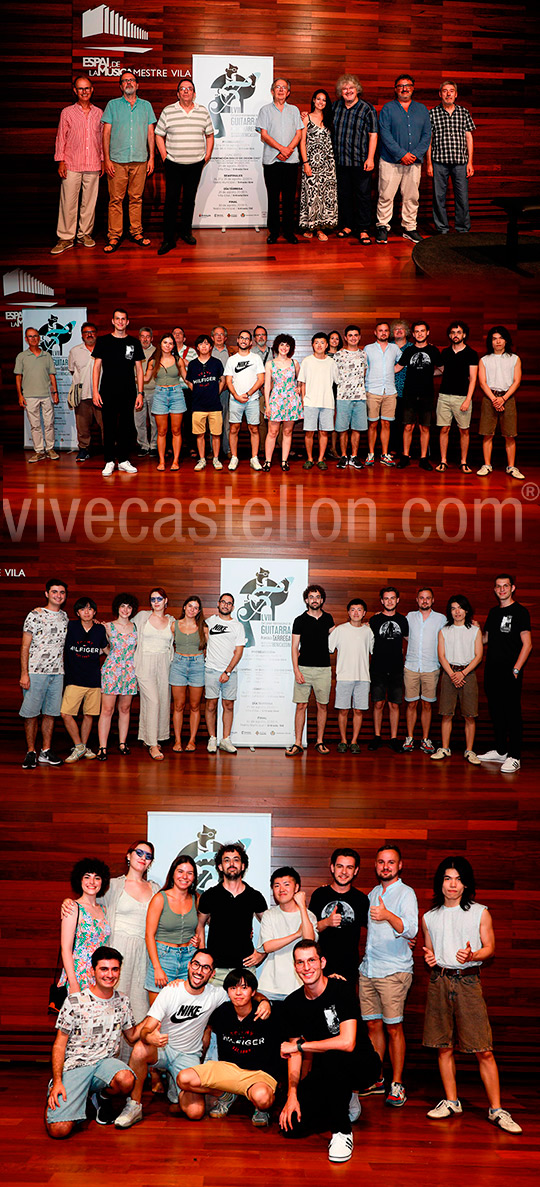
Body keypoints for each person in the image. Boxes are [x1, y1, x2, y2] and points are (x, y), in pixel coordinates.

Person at [422, 857, 522, 1133]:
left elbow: (490, 948)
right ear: (440, 883)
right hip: (439, 981)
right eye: (447, 878)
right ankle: (452, 1101)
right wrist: (430, 958)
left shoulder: (480, 912)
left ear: (466, 884)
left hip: (468, 982)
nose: (452, 884)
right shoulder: (429, 917)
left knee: (483, 1049)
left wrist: (472, 955)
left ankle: (497, 1110)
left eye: (458, 879)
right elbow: (430, 951)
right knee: (443, 1046)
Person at [115, 948, 270, 1127]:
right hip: (163, 1050)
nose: (199, 971)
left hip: (188, 1056)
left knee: (195, 1112)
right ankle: (134, 1106)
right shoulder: (171, 991)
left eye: (206, 967)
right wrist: (150, 1038)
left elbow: (245, 993)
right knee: (140, 1049)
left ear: (212, 974)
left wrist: (264, 1001)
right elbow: (146, 1030)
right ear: (189, 966)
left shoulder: (216, 994)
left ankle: (175, 1086)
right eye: (196, 964)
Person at [279, 940, 382, 1163]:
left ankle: (342, 1132)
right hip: (327, 1070)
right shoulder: (292, 1003)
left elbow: (347, 1043)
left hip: (362, 1064)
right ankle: (342, 1100)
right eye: (300, 962)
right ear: (295, 967)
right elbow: (294, 1055)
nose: (307, 967)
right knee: (291, 1126)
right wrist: (292, 1095)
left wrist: (300, 1046)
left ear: (322, 962)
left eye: (311, 960)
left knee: (335, 1055)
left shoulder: (341, 989)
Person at [61, 842, 159, 1058]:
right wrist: (68, 902)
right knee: (103, 1016)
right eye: (139, 852)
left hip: (140, 957)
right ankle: (92, 1067)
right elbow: (83, 903)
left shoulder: (155, 889)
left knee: (135, 1009)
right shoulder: (113, 886)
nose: (143, 857)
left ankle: (129, 1066)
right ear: (128, 855)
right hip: (109, 960)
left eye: (148, 855)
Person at [45, 946, 139, 1139]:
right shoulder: (74, 1001)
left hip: (104, 1064)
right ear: (92, 971)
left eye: (114, 969)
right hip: (76, 1066)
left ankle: (102, 1097)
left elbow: (132, 1035)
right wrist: (58, 1082)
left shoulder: (122, 1001)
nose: (110, 975)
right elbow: (59, 1045)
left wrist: (156, 1016)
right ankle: (72, 1095)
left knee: (126, 1079)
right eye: (104, 969)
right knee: (59, 1130)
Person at [177, 967, 279, 1126]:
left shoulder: (266, 1012)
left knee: (263, 1099)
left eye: (244, 988)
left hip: (258, 1074)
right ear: (227, 992)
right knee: (183, 1079)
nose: (238, 993)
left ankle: (260, 1109)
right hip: (227, 1069)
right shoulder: (221, 1012)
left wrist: (265, 1001)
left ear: (253, 992)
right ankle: (226, 1095)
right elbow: (205, 1031)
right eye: (233, 988)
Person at [359, 844, 418, 1106]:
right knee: (373, 1025)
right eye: (381, 862)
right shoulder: (373, 893)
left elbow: (411, 930)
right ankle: (377, 1078)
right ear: (375, 865)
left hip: (394, 971)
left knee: (394, 1027)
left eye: (391, 862)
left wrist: (387, 915)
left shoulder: (406, 893)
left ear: (399, 865)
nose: (386, 867)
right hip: (369, 969)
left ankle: (397, 1083)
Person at [478, 574, 532, 773]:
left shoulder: (520, 612)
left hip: (511, 672)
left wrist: (516, 668)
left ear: (512, 588)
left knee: (512, 713)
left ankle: (515, 756)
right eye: (498, 586)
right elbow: (486, 639)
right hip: (492, 671)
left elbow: (528, 644)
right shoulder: (493, 612)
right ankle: (501, 751)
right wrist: (471, 630)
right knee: (496, 712)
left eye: (505, 586)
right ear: (494, 589)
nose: (502, 589)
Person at [155, 79, 214, 253]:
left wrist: (207, 156)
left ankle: (186, 233)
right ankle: (168, 239)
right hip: (173, 164)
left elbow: (210, 135)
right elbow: (159, 135)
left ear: (194, 94)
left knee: (189, 200)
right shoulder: (168, 111)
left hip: (195, 164)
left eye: (189, 89)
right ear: (178, 93)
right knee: (171, 201)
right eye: (182, 89)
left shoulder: (202, 111)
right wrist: (165, 157)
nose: (186, 91)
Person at [101, 69, 156, 252]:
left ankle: (136, 232)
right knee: (115, 200)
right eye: (125, 81)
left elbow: (150, 133)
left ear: (137, 85)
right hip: (117, 160)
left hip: (140, 160)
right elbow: (106, 133)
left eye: (132, 80)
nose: (129, 83)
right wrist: (106, 159)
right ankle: (114, 236)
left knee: (136, 198)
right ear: (120, 86)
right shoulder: (112, 105)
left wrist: (151, 158)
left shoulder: (146, 106)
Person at [197, 843, 267, 986]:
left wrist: (262, 953)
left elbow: (269, 927)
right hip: (215, 971)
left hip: (245, 969)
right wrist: (204, 960)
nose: (232, 864)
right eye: (227, 860)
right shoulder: (209, 896)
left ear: (243, 866)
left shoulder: (254, 896)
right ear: (220, 866)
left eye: (236, 860)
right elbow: (200, 926)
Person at [376, 74, 431, 244]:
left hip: (414, 162)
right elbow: (385, 134)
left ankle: (409, 228)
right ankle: (383, 226)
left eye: (408, 85)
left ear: (413, 88)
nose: (404, 89)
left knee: (412, 197)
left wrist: (414, 155)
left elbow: (427, 135)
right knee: (386, 195)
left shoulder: (422, 109)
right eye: (400, 86)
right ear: (395, 89)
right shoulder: (388, 108)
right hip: (390, 161)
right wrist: (401, 154)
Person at [20, 578, 68, 769]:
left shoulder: (64, 617)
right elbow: (25, 646)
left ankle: (45, 751)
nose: (58, 595)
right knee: (31, 714)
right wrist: (24, 673)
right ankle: (31, 751)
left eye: (62, 592)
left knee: (50, 713)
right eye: (54, 591)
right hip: (35, 672)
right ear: (47, 594)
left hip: (57, 673)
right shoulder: (35, 615)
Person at [52, 75, 103, 255]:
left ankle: (84, 234)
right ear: (75, 91)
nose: (84, 91)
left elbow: (102, 139)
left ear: (92, 89)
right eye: (81, 88)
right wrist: (61, 161)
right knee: (68, 202)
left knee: (89, 203)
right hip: (71, 163)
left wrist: (103, 160)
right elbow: (61, 137)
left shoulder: (99, 113)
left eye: (87, 88)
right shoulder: (67, 112)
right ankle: (66, 238)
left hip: (93, 163)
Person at [431, 594, 483, 764]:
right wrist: (453, 675)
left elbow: (478, 656)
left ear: (466, 610)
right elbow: (441, 656)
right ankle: (445, 748)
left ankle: (470, 751)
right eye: (453, 608)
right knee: (446, 714)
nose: (457, 611)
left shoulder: (475, 630)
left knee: (470, 715)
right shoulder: (444, 631)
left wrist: (463, 673)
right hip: (449, 674)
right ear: (450, 611)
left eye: (460, 608)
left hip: (468, 674)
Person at [92, 308, 144, 476]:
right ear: (113, 321)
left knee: (126, 427)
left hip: (128, 392)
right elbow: (96, 367)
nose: (120, 322)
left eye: (123, 319)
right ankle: (109, 460)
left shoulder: (134, 343)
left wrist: (140, 393)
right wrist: (95, 391)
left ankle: (123, 460)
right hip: (107, 391)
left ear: (127, 322)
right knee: (109, 427)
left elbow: (139, 369)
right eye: (117, 319)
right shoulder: (103, 341)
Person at [145, 854, 202, 1002]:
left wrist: (197, 941)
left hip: (189, 960)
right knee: (159, 1011)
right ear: (172, 873)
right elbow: (149, 935)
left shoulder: (197, 899)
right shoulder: (160, 898)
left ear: (194, 877)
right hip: (163, 959)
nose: (185, 877)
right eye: (180, 871)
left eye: (189, 873)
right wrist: (157, 967)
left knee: (184, 1009)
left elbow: (200, 928)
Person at [310, 849, 369, 985]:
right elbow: (310, 930)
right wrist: (327, 922)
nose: (344, 872)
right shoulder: (319, 895)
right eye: (340, 866)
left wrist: (403, 938)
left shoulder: (361, 899)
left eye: (349, 867)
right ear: (332, 868)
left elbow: (374, 929)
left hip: (349, 968)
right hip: (321, 966)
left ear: (356, 871)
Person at [288, 584, 334, 756]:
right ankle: (298, 743)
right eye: (311, 597)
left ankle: (320, 741)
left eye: (317, 597)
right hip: (304, 669)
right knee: (301, 706)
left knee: (322, 706)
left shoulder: (328, 618)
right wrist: (296, 671)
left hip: (324, 670)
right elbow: (294, 647)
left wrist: (361, 625)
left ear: (322, 600)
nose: (314, 600)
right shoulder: (299, 620)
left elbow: (340, 635)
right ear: (306, 600)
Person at [256, 78, 304, 244]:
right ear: (272, 91)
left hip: (291, 161)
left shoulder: (294, 110)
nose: (281, 90)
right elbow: (264, 135)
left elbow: (299, 134)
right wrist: (281, 149)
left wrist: (288, 149)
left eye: (284, 88)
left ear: (288, 93)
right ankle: (274, 232)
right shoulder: (265, 110)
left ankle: (289, 232)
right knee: (273, 198)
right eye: (278, 87)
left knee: (290, 198)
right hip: (272, 161)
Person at [258, 867, 317, 1000]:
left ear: (296, 888)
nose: (281, 889)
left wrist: (302, 906)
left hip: (300, 986)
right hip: (270, 987)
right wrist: (296, 935)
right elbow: (268, 946)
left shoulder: (309, 916)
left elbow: (309, 942)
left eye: (286, 884)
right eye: (276, 885)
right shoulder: (269, 915)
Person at [61, 597, 107, 763]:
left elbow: (107, 650)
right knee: (66, 713)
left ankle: (84, 746)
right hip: (74, 678)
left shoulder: (100, 629)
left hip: (94, 679)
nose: (86, 612)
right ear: (77, 612)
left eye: (89, 609)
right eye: (82, 609)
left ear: (94, 612)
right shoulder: (70, 626)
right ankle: (79, 746)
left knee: (89, 714)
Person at [332, 74, 378, 243]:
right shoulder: (335, 107)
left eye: (351, 88)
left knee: (363, 196)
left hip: (361, 161)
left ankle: (364, 229)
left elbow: (373, 135)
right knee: (344, 195)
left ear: (357, 89)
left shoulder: (367, 109)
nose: (348, 91)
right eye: (344, 89)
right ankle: (347, 225)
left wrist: (370, 158)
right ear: (340, 92)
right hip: (340, 161)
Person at [427, 81, 476, 235]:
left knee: (462, 197)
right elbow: (429, 140)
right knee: (438, 197)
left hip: (460, 163)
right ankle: (442, 229)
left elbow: (469, 138)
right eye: (445, 91)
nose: (448, 94)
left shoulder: (464, 112)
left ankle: (463, 228)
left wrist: (470, 162)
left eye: (451, 91)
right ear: (440, 94)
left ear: (456, 94)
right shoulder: (432, 113)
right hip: (439, 162)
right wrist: (429, 164)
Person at [133, 588, 175, 761]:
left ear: (165, 601)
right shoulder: (142, 617)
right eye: (152, 599)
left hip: (164, 663)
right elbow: (124, 625)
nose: (156, 602)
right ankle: (153, 745)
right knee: (153, 701)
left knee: (162, 701)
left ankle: (151, 736)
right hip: (145, 662)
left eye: (159, 598)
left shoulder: (172, 621)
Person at [402, 588, 446, 753]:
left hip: (431, 667)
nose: (425, 601)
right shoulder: (409, 617)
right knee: (411, 703)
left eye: (428, 598)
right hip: (411, 666)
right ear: (417, 600)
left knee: (427, 704)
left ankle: (425, 739)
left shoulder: (441, 619)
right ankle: (410, 738)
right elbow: (404, 633)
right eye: (422, 598)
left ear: (433, 600)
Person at [58, 858, 111, 995]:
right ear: (79, 880)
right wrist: (73, 983)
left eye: (97, 878)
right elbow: (66, 949)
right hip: (78, 975)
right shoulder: (73, 908)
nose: (92, 882)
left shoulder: (104, 910)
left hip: (99, 976)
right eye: (87, 877)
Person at [477, 326, 524, 480]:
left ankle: (511, 467)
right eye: (494, 338)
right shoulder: (484, 360)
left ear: (506, 341)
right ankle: (487, 465)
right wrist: (494, 399)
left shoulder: (514, 359)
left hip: (508, 398)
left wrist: (503, 399)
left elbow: (517, 381)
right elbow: (482, 382)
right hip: (489, 397)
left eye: (501, 338)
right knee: (487, 434)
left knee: (510, 434)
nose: (498, 341)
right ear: (490, 342)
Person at [97, 592, 139, 759]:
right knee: (107, 709)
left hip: (129, 671)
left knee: (125, 708)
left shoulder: (136, 627)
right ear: (117, 608)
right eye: (122, 606)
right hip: (112, 671)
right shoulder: (107, 627)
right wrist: (114, 657)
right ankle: (102, 747)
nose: (125, 610)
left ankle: (122, 743)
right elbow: (103, 647)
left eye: (129, 607)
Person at [395, 322, 442, 470]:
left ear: (427, 332)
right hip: (409, 394)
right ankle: (405, 456)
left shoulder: (433, 350)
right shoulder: (409, 351)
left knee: (424, 428)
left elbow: (442, 369)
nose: (420, 334)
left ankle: (423, 458)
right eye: (417, 331)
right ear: (413, 334)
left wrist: (429, 373)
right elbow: (397, 368)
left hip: (427, 394)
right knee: (408, 426)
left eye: (422, 331)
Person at [329, 598, 373, 751]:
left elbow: (373, 650)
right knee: (343, 710)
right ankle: (343, 741)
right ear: (348, 612)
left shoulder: (368, 631)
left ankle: (354, 741)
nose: (356, 613)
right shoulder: (340, 630)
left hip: (363, 678)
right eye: (353, 609)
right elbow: (328, 647)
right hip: (344, 677)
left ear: (364, 613)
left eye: (359, 610)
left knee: (358, 711)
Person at [204, 594, 246, 754]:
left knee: (228, 705)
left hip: (230, 673)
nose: (226, 605)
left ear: (232, 607)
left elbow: (239, 652)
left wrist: (227, 671)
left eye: (229, 603)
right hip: (211, 670)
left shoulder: (238, 626)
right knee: (211, 705)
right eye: (223, 602)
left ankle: (225, 739)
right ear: (218, 604)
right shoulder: (209, 622)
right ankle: (212, 738)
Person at [368, 586, 409, 751]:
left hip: (396, 669)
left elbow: (409, 639)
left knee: (394, 705)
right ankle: (377, 737)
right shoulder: (374, 620)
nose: (389, 601)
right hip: (377, 668)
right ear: (381, 601)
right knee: (378, 703)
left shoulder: (403, 620)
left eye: (392, 598)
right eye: (386, 598)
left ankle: (393, 738)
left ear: (397, 600)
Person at [435, 322, 478, 472]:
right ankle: (443, 461)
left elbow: (473, 379)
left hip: (462, 398)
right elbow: (443, 371)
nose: (455, 335)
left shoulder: (471, 354)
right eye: (453, 332)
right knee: (444, 429)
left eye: (459, 332)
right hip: (444, 396)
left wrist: (468, 399)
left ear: (464, 335)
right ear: (449, 335)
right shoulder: (445, 352)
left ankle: (463, 462)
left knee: (464, 430)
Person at [14, 327, 59, 463]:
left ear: (39, 338)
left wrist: (55, 393)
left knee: (49, 423)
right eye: (30, 336)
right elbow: (18, 377)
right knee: (35, 425)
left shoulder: (47, 355)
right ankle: (39, 451)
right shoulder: (21, 356)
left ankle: (50, 449)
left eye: (35, 336)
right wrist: (20, 395)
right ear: (26, 339)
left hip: (47, 394)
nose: (33, 338)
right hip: (29, 396)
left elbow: (52, 375)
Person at [299, 89, 338, 241]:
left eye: (324, 100)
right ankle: (310, 226)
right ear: (313, 100)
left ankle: (320, 228)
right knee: (311, 195)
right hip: (311, 163)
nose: (321, 102)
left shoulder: (329, 118)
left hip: (327, 164)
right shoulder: (306, 118)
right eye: (318, 99)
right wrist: (305, 163)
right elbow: (302, 142)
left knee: (324, 195)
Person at [169, 595, 207, 751]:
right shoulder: (174, 625)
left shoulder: (203, 628)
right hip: (178, 665)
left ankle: (192, 740)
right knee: (178, 706)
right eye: (190, 606)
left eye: (196, 607)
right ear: (184, 607)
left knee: (195, 706)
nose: (192, 609)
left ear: (199, 611)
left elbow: (211, 648)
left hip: (198, 666)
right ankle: (177, 741)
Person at [224, 330, 265, 470]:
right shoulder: (232, 360)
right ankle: (234, 457)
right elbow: (228, 381)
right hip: (235, 400)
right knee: (234, 429)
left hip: (252, 400)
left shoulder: (256, 358)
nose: (244, 340)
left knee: (254, 429)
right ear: (238, 340)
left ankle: (254, 458)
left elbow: (261, 379)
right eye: (241, 338)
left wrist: (248, 394)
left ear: (250, 342)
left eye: (247, 338)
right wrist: (236, 395)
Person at [143, 333, 185, 471]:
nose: (168, 345)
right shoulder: (153, 361)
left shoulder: (178, 360)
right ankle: (161, 461)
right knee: (161, 431)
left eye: (170, 343)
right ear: (160, 344)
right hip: (160, 395)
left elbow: (186, 378)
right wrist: (131, 376)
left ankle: (175, 461)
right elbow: (146, 378)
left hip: (176, 394)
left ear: (173, 346)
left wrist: (199, 389)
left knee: (176, 430)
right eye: (165, 342)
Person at [364, 321, 402, 466]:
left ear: (389, 333)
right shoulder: (368, 348)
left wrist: (392, 370)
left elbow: (403, 361)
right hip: (373, 391)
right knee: (373, 424)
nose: (383, 333)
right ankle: (371, 454)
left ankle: (385, 454)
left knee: (386, 424)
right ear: (375, 332)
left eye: (386, 330)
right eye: (380, 330)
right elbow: (364, 368)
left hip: (390, 392)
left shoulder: (394, 348)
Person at [185, 334, 225, 470]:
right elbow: (189, 382)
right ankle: (201, 459)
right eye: (201, 344)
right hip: (198, 406)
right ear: (197, 347)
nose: (204, 346)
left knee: (216, 434)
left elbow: (223, 380)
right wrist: (197, 392)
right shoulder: (193, 364)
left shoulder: (216, 363)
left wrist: (216, 392)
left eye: (206, 343)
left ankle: (216, 458)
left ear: (211, 347)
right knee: (199, 435)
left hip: (215, 405)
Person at [298, 333, 337, 471]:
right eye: (316, 342)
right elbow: (302, 382)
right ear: (312, 345)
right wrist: (303, 400)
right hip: (310, 402)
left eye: (322, 342)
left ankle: (320, 459)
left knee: (324, 432)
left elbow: (337, 381)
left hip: (327, 402)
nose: (319, 345)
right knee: (309, 432)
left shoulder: (332, 362)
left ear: (327, 345)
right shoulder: (307, 361)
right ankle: (309, 459)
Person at [263, 333, 301, 471]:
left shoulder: (294, 363)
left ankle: (284, 461)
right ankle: (267, 461)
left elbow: (301, 380)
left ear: (291, 348)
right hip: (276, 400)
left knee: (288, 431)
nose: (284, 347)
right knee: (272, 432)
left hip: (291, 400)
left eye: (287, 345)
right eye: (282, 344)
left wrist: (299, 388)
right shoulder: (270, 364)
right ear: (277, 346)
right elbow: (267, 385)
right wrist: (267, 405)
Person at [333, 324, 367, 470]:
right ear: (346, 338)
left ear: (359, 337)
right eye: (350, 335)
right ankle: (343, 456)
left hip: (360, 396)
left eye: (356, 335)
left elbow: (364, 373)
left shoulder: (364, 355)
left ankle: (354, 456)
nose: (353, 338)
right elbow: (334, 376)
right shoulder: (338, 355)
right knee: (342, 429)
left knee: (357, 428)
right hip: (343, 397)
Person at [68, 323, 103, 462]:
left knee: (106, 424)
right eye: (86, 332)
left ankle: (109, 449)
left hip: (101, 394)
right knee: (82, 425)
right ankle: (84, 449)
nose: (89, 334)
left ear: (96, 334)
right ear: (82, 335)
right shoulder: (74, 351)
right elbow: (72, 370)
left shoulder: (104, 348)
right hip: (82, 395)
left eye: (92, 331)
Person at [135, 326, 157, 456]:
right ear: (139, 338)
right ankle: (143, 445)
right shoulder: (133, 351)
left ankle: (154, 445)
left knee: (155, 421)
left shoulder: (157, 352)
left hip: (154, 391)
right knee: (139, 421)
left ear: (152, 338)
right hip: (137, 392)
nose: (145, 339)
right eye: (142, 336)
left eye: (148, 337)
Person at [212, 324, 230, 455]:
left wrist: (225, 386)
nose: (219, 337)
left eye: (221, 334)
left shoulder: (232, 352)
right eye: (216, 334)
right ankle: (213, 451)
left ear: (225, 338)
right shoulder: (207, 351)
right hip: (211, 392)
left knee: (227, 422)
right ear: (212, 337)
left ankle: (227, 449)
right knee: (212, 422)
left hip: (228, 391)